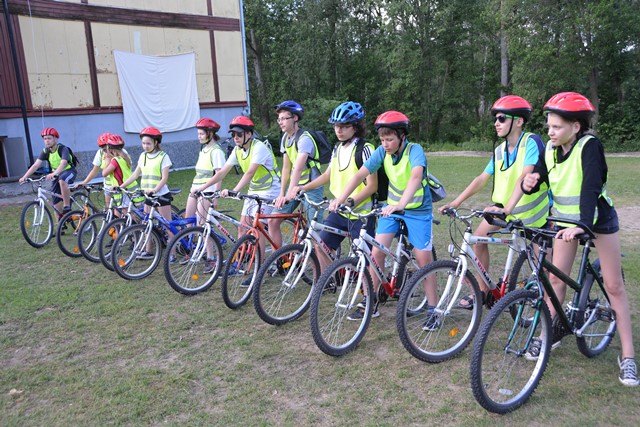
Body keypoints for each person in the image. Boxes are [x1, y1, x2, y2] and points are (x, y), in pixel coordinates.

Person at [522, 91, 637, 386]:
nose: (550, 132)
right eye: (549, 126)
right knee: (556, 280)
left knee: (614, 286)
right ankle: (549, 334)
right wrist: (530, 182)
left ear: (576, 126)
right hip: (566, 222)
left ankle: (628, 356)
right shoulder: (551, 148)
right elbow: (541, 176)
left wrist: (584, 225)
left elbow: (590, 186)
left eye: (556, 127)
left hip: (598, 220)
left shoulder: (590, 146)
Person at [438, 95, 550, 308]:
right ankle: (483, 292)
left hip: (535, 215)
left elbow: (525, 176)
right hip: (506, 210)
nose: (496, 123)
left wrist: (507, 208)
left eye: (501, 118)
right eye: (495, 119)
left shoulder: (531, 142)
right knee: (478, 240)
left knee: (543, 268)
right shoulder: (499, 150)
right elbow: (482, 178)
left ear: (519, 121)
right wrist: (456, 202)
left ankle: (544, 309)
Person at [329, 111, 435, 322]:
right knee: (376, 252)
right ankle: (370, 301)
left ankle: (434, 309)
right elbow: (360, 174)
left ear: (402, 136)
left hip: (417, 211)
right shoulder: (381, 152)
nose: (385, 144)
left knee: (424, 259)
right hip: (391, 209)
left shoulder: (415, 150)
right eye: (382, 140)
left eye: (390, 139)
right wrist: (341, 199)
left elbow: (416, 177)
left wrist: (400, 205)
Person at [294, 101, 377, 271]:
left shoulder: (365, 149)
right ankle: (330, 281)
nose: (339, 130)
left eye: (344, 126)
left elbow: (372, 186)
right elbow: (327, 175)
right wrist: (303, 188)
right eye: (336, 126)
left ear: (356, 127)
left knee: (364, 260)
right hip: (339, 212)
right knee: (321, 246)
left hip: (360, 214)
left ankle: (369, 288)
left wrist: (349, 201)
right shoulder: (337, 148)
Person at [196, 116, 281, 260]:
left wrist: (234, 190)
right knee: (242, 227)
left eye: (239, 134)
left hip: (270, 190)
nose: (236, 138)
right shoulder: (237, 150)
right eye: (233, 134)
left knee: (257, 228)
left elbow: (250, 172)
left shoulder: (258, 147)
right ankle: (244, 261)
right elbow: (222, 172)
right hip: (254, 189)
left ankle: (259, 265)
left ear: (249, 134)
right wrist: (203, 187)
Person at [270, 100, 325, 247]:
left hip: (312, 187)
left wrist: (289, 194)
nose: (280, 122)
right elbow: (286, 168)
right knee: (273, 220)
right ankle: (279, 258)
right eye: (279, 119)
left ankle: (321, 260)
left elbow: (298, 168)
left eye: (284, 118)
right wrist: (282, 193)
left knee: (315, 231)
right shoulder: (285, 138)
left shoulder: (304, 139)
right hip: (295, 186)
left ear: (295, 118)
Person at [119, 127, 174, 259]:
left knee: (168, 225)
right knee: (146, 224)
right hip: (148, 196)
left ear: (156, 142)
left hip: (161, 196)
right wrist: (121, 186)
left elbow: (164, 178)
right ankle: (148, 251)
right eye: (143, 143)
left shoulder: (163, 156)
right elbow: (135, 175)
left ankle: (172, 253)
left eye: (148, 143)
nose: (145, 146)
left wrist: (155, 190)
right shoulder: (143, 156)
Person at [184, 118, 226, 273]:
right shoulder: (203, 150)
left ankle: (211, 257)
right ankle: (191, 250)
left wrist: (215, 196)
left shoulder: (216, 151)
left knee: (202, 224)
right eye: (198, 134)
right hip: (195, 189)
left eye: (201, 134)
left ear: (210, 133)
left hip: (207, 192)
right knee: (188, 221)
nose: (199, 136)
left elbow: (219, 175)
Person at [19, 128, 77, 218]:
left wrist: (54, 173)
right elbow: (35, 165)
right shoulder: (45, 151)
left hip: (69, 171)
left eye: (49, 138)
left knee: (62, 180)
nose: (47, 141)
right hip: (56, 175)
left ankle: (67, 205)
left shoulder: (62, 149)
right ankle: (60, 225)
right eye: (45, 139)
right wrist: (24, 177)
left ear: (55, 139)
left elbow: (63, 163)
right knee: (56, 204)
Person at [101, 133, 142, 211]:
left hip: (124, 191)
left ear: (110, 149)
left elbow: (104, 173)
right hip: (131, 188)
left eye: (106, 150)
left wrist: (107, 161)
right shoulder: (125, 157)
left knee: (129, 214)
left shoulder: (115, 161)